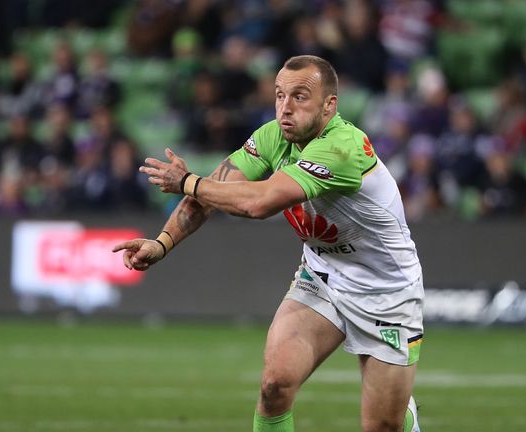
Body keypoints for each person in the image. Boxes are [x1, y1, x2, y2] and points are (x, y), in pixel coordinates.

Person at [112, 55, 423, 432]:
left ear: (330, 105)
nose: (285, 108)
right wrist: (162, 243)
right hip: (323, 274)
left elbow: (256, 203)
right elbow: (218, 189)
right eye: (279, 96)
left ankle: (404, 415)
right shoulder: (273, 136)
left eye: (299, 97)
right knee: (275, 385)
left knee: (383, 426)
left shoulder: (342, 147)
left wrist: (187, 181)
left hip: (385, 289)